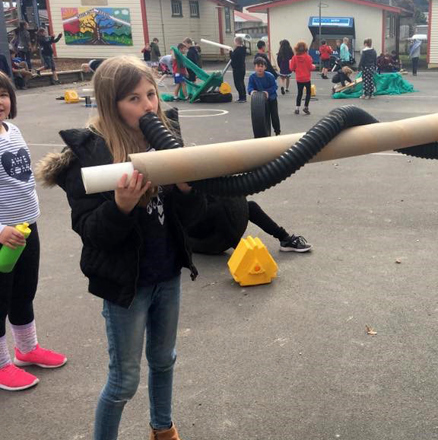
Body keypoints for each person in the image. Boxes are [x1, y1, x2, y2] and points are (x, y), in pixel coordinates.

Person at [36, 55, 207, 440]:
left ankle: (163, 429)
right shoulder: (89, 156)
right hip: (126, 286)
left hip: (167, 274)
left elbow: (194, 219)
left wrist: (187, 189)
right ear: (111, 104)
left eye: (151, 94)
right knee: (124, 381)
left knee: (164, 360)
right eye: (133, 98)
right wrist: (121, 206)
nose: (148, 105)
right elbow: (90, 231)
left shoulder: (167, 140)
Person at [0, 71, 67, 392]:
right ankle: (1, 365)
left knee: (23, 292)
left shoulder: (12, 130)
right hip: (3, 235)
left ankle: (27, 349)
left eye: (2, 94)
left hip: (28, 225)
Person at [248, 57, 281, 135]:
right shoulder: (252, 77)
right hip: (260, 102)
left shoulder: (269, 76)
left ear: (265, 67)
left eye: (261, 66)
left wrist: (267, 92)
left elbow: (275, 86)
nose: (259, 68)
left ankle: (277, 132)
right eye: (258, 66)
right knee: (263, 116)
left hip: (271, 99)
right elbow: (250, 87)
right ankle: (264, 133)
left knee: (274, 115)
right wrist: (251, 91)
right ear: (254, 67)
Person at [289, 41, 315, 115]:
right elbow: (310, 67)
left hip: (299, 78)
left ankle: (297, 108)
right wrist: (314, 66)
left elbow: (291, 68)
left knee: (299, 93)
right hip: (306, 78)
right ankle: (306, 107)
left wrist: (292, 66)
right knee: (308, 93)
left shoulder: (294, 58)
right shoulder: (308, 57)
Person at [230, 36, 248, 103]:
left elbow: (233, 57)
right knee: (241, 82)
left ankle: (242, 97)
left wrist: (230, 52)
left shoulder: (238, 50)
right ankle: (243, 97)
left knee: (238, 83)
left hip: (237, 68)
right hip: (242, 67)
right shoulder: (243, 49)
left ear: (236, 42)